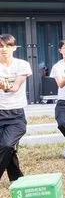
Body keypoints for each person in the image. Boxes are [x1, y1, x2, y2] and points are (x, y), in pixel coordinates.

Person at [0, 34, 31, 183]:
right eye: (1, 46)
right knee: (8, 148)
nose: (4, 49)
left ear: (14, 48)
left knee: (6, 144)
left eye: (7, 46)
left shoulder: (22, 64)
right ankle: (17, 179)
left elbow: (16, 87)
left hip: (16, 115)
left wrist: (6, 87)